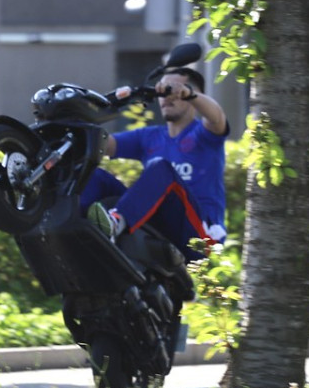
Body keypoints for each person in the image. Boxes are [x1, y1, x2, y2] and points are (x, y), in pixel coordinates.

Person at [81, 65, 230, 261]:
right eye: (162, 89)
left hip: (200, 238)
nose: (167, 95)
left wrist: (188, 94)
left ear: (194, 94)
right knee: (94, 176)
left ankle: (116, 221)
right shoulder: (149, 137)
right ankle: (78, 233)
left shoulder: (205, 135)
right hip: (159, 227)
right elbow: (101, 144)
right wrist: (77, 116)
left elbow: (216, 117)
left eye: (174, 89)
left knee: (161, 168)